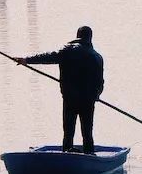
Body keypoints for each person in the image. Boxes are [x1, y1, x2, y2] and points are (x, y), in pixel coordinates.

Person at [23, 26, 105, 154]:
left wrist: (27, 60)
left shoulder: (67, 51)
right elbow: (100, 82)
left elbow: (48, 57)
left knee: (68, 131)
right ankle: (89, 155)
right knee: (87, 132)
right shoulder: (97, 57)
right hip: (88, 100)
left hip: (70, 97)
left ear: (77, 35)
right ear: (90, 37)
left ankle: (67, 152)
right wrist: (97, 95)